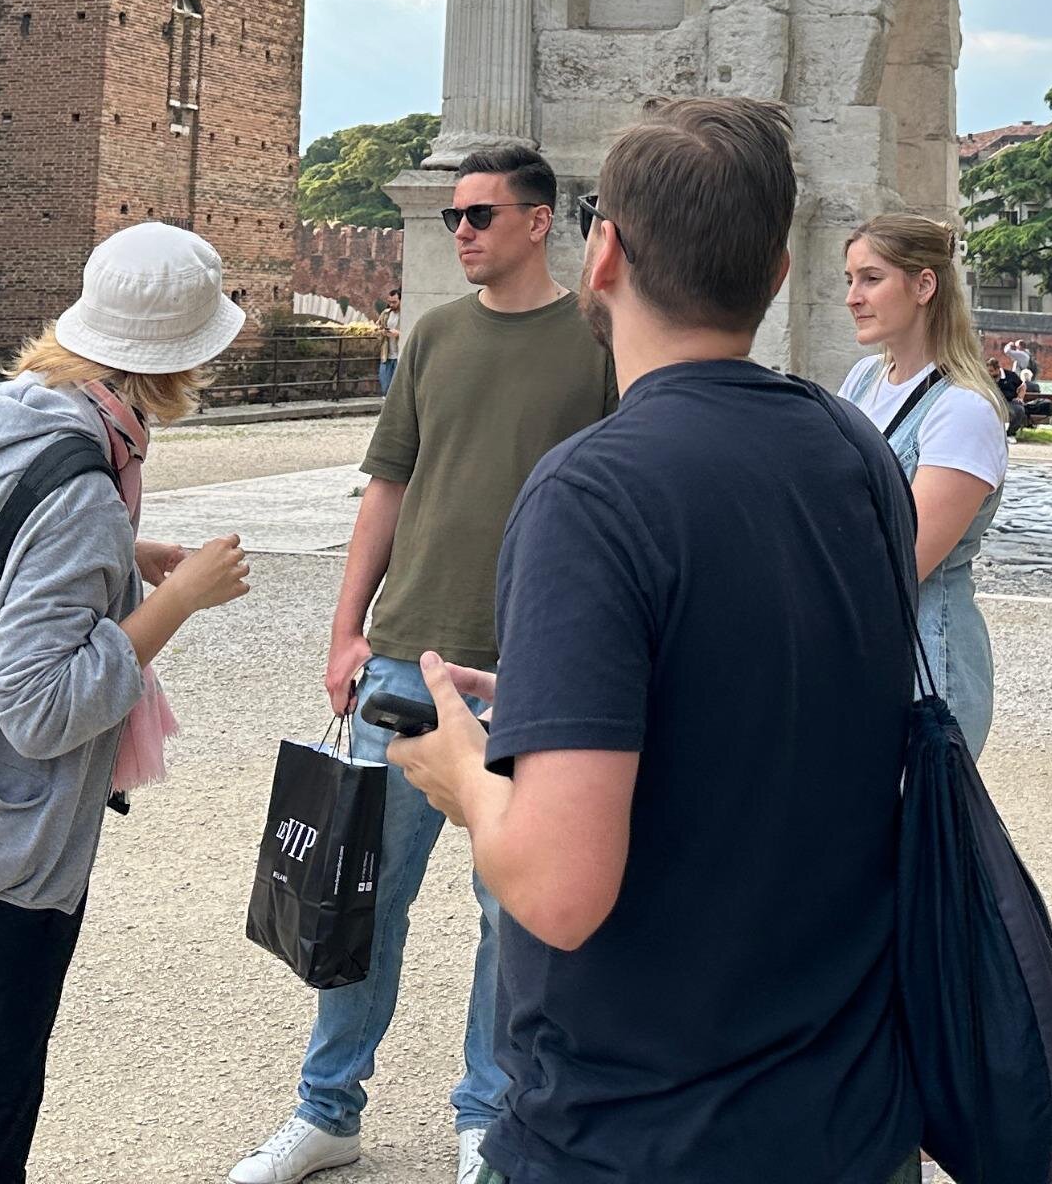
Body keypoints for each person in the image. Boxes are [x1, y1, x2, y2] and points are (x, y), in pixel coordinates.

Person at [391, 98, 920, 1184]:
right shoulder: (854, 447)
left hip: (638, 1121)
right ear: (778, 272)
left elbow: (559, 890)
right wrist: (556, 698)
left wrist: (463, 775)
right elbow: (751, 686)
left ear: (604, 254)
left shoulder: (591, 492)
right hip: (844, 1105)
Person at [235, 144, 614, 1184]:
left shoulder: (597, 342)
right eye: (454, 216)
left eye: (480, 214)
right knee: (360, 896)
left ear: (539, 221)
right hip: (405, 656)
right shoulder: (435, 335)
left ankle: (489, 1114)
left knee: (511, 914)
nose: (461, 232)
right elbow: (388, 487)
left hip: (531, 670)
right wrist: (345, 630)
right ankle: (326, 1109)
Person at [0, 221, 256, 1184]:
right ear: (175, 360)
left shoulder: (6, 421)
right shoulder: (83, 486)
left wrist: (123, 556)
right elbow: (37, 706)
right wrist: (175, 600)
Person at [839, 213, 1012, 757]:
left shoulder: (963, 410)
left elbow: (902, 561)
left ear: (924, 285)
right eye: (850, 280)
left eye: (871, 279)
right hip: (865, 651)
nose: (852, 297)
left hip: (926, 670)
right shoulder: (863, 379)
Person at [376, 290, 403, 397]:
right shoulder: (386, 313)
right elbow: (377, 329)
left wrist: (399, 334)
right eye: (390, 302)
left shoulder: (405, 314)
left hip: (399, 354)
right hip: (386, 353)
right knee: (384, 383)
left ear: (401, 300)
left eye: (394, 302)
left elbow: (411, 331)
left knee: (398, 385)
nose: (391, 305)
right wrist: (382, 332)